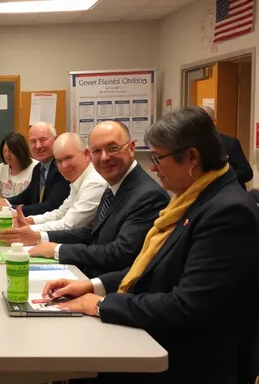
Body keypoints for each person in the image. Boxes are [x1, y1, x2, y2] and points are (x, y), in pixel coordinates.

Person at [42, 106, 259, 383]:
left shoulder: (227, 212)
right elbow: (154, 269)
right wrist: (92, 285)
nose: (153, 167)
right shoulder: (192, 198)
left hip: (189, 358)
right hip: (164, 336)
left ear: (191, 158)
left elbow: (187, 306)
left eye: (158, 158)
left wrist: (101, 305)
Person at [0, 121, 170, 278]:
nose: (104, 157)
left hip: (108, 284)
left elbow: (120, 254)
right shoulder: (114, 185)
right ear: (91, 154)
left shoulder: (146, 195)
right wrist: (41, 237)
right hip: (92, 274)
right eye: (97, 151)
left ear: (132, 148)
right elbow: (91, 231)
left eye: (112, 148)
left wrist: (56, 248)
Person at [23, 132, 107, 232]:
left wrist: (28, 229)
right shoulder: (78, 180)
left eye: (68, 158)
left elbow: (69, 225)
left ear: (86, 154)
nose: (64, 166)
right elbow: (61, 213)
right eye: (59, 161)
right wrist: (30, 220)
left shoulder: (94, 182)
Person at [0, 122, 70, 216]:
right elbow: (28, 195)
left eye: (43, 140)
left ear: (55, 140)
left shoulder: (61, 167)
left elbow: (52, 205)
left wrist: (10, 208)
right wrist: (6, 202)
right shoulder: (39, 168)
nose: (38, 146)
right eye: (33, 141)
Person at [0, 132, 38, 204]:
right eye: (4, 151)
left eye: (11, 152)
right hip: (2, 212)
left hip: (24, 212)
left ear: (21, 151)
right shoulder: (2, 168)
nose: (7, 155)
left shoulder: (36, 168)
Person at [201, 105, 253, 188]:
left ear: (214, 122)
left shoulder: (229, 143)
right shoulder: (190, 145)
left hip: (229, 192)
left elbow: (247, 173)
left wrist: (222, 176)